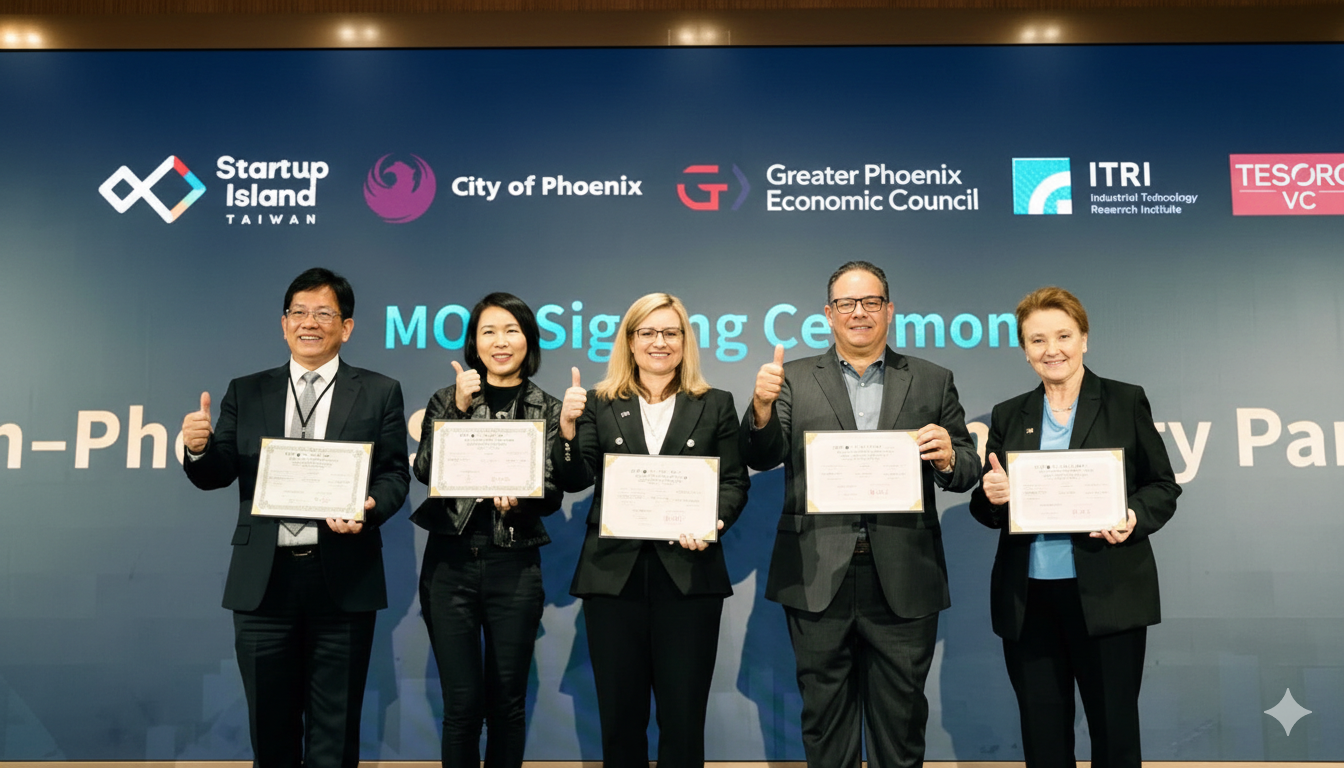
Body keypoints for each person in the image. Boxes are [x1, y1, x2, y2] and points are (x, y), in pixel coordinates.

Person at [740, 260, 981, 768]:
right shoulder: (793, 379)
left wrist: (947, 455)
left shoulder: (933, 380)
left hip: (904, 574)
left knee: (901, 725)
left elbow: (964, 470)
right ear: (828, 314)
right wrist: (760, 408)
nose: (859, 313)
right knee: (825, 724)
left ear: (889, 311)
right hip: (815, 572)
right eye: (847, 303)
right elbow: (762, 455)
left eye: (871, 302)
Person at [181, 267, 410, 768]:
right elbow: (217, 472)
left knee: (335, 729)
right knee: (270, 727)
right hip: (265, 580)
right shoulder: (247, 391)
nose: (310, 323)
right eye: (299, 312)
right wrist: (197, 449)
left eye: (324, 313)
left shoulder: (378, 391)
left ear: (346, 327)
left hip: (343, 577)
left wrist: (369, 510)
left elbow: (394, 476)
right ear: (284, 324)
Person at [968, 286, 1179, 768]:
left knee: (1115, 734)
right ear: (1024, 351)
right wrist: (991, 496)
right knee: (1043, 739)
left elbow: (1162, 487)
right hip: (1030, 600)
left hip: (1109, 595)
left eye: (1063, 335)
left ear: (1085, 339)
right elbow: (989, 507)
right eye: (1037, 340)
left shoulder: (1125, 401)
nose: (1052, 349)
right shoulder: (1009, 413)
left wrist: (1132, 518)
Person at [553, 292, 750, 768]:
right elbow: (576, 477)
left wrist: (713, 522)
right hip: (613, 580)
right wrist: (566, 429)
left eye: (670, 332)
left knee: (683, 723)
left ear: (684, 342)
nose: (659, 342)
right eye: (647, 332)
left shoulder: (716, 403)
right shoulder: (600, 403)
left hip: (688, 577)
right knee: (620, 723)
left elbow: (734, 482)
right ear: (630, 341)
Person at [411, 292, 562, 768]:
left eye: (512, 330)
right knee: (460, 707)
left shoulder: (546, 407)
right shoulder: (447, 397)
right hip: (450, 566)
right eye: (489, 331)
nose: (501, 342)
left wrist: (522, 501)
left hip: (514, 567)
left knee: (507, 705)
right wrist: (456, 410)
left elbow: (554, 492)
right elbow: (425, 471)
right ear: (474, 342)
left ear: (528, 340)